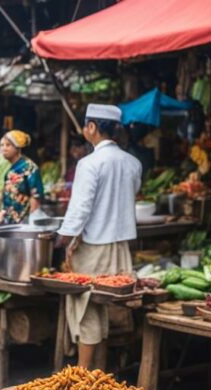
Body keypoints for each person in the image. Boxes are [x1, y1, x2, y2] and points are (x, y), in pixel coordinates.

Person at [56, 104, 141, 370]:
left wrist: (62, 240)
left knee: (88, 308)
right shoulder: (133, 163)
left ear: (92, 127)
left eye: (85, 125)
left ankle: (84, 374)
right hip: (121, 247)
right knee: (112, 306)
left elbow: (80, 209)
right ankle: (106, 369)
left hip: (94, 247)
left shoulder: (89, 163)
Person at [0, 130, 44, 224]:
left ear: (17, 148)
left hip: (23, 222)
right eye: (1, 145)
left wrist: (31, 223)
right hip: (8, 221)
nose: (3, 148)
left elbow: (36, 197)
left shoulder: (29, 168)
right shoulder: (9, 168)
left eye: (8, 145)